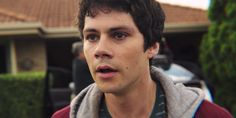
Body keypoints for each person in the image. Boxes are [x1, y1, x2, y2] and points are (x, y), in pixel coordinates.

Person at [52, 0, 233, 118]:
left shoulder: (209, 115)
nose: (100, 50)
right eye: (92, 37)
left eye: (119, 35)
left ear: (152, 46)